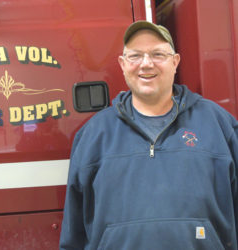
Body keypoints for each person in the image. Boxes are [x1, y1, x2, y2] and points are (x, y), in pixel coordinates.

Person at [59, 20, 238, 250]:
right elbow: (74, 235)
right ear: (123, 64)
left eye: (157, 54)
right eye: (135, 56)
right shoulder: (93, 135)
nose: (146, 64)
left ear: (175, 62)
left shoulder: (219, 125)